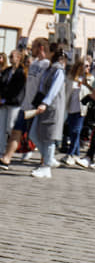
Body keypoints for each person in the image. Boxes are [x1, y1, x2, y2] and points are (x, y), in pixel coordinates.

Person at [0, 38, 50, 168]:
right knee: (16, 131)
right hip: (25, 106)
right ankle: (6, 158)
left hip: (37, 106)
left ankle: (45, 162)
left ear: (40, 48)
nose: (30, 49)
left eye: (32, 46)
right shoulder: (33, 64)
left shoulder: (47, 65)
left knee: (36, 135)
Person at [28, 47, 67, 179]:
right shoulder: (49, 68)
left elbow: (55, 88)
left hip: (52, 107)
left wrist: (45, 102)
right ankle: (49, 159)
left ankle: (46, 167)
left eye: (48, 51)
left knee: (49, 137)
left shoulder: (58, 69)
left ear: (53, 53)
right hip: (43, 106)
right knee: (34, 134)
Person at [61, 58, 93, 167]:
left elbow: (93, 91)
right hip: (71, 107)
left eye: (89, 66)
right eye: (85, 65)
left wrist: (86, 84)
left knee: (76, 131)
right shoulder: (71, 78)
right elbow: (67, 92)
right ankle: (76, 154)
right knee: (72, 131)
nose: (87, 68)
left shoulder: (90, 78)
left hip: (82, 109)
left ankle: (70, 154)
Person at [0, 49, 26, 169]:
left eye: (12, 56)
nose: (10, 58)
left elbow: (18, 89)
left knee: (11, 127)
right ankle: (1, 151)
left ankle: (21, 147)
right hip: (3, 103)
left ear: (19, 58)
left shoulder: (22, 72)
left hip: (15, 103)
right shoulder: (7, 71)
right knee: (2, 127)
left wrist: (8, 98)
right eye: (9, 56)